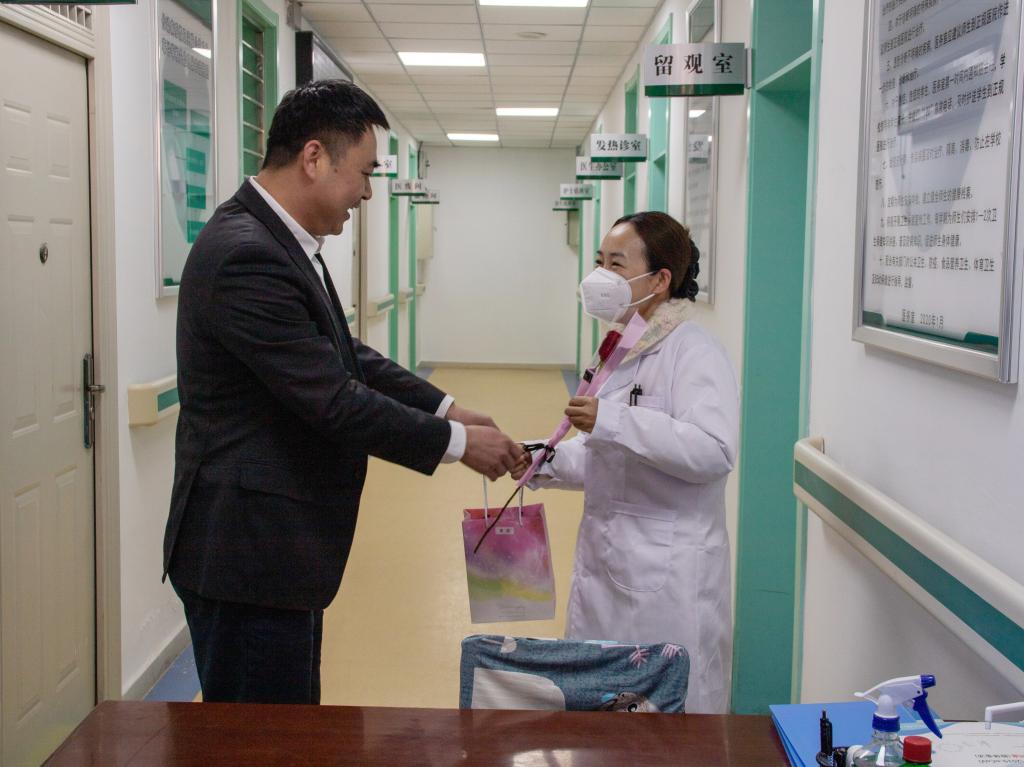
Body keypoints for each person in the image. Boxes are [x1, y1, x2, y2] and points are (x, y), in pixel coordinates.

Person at [163, 80, 523, 704]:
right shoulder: (246, 255)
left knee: (292, 724)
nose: (367, 192)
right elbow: (332, 399)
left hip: (278, 551)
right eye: (364, 172)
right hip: (247, 554)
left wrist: (446, 408)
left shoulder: (283, 242)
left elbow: (344, 353)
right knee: (262, 738)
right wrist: (459, 443)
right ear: (314, 158)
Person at [513, 211, 740, 713]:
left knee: (669, 717)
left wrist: (612, 419)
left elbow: (714, 450)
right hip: (609, 559)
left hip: (669, 572)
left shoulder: (694, 350)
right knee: (602, 707)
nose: (600, 276)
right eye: (599, 262)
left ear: (659, 280)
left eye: (616, 264)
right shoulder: (622, 344)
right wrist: (540, 460)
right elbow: (607, 457)